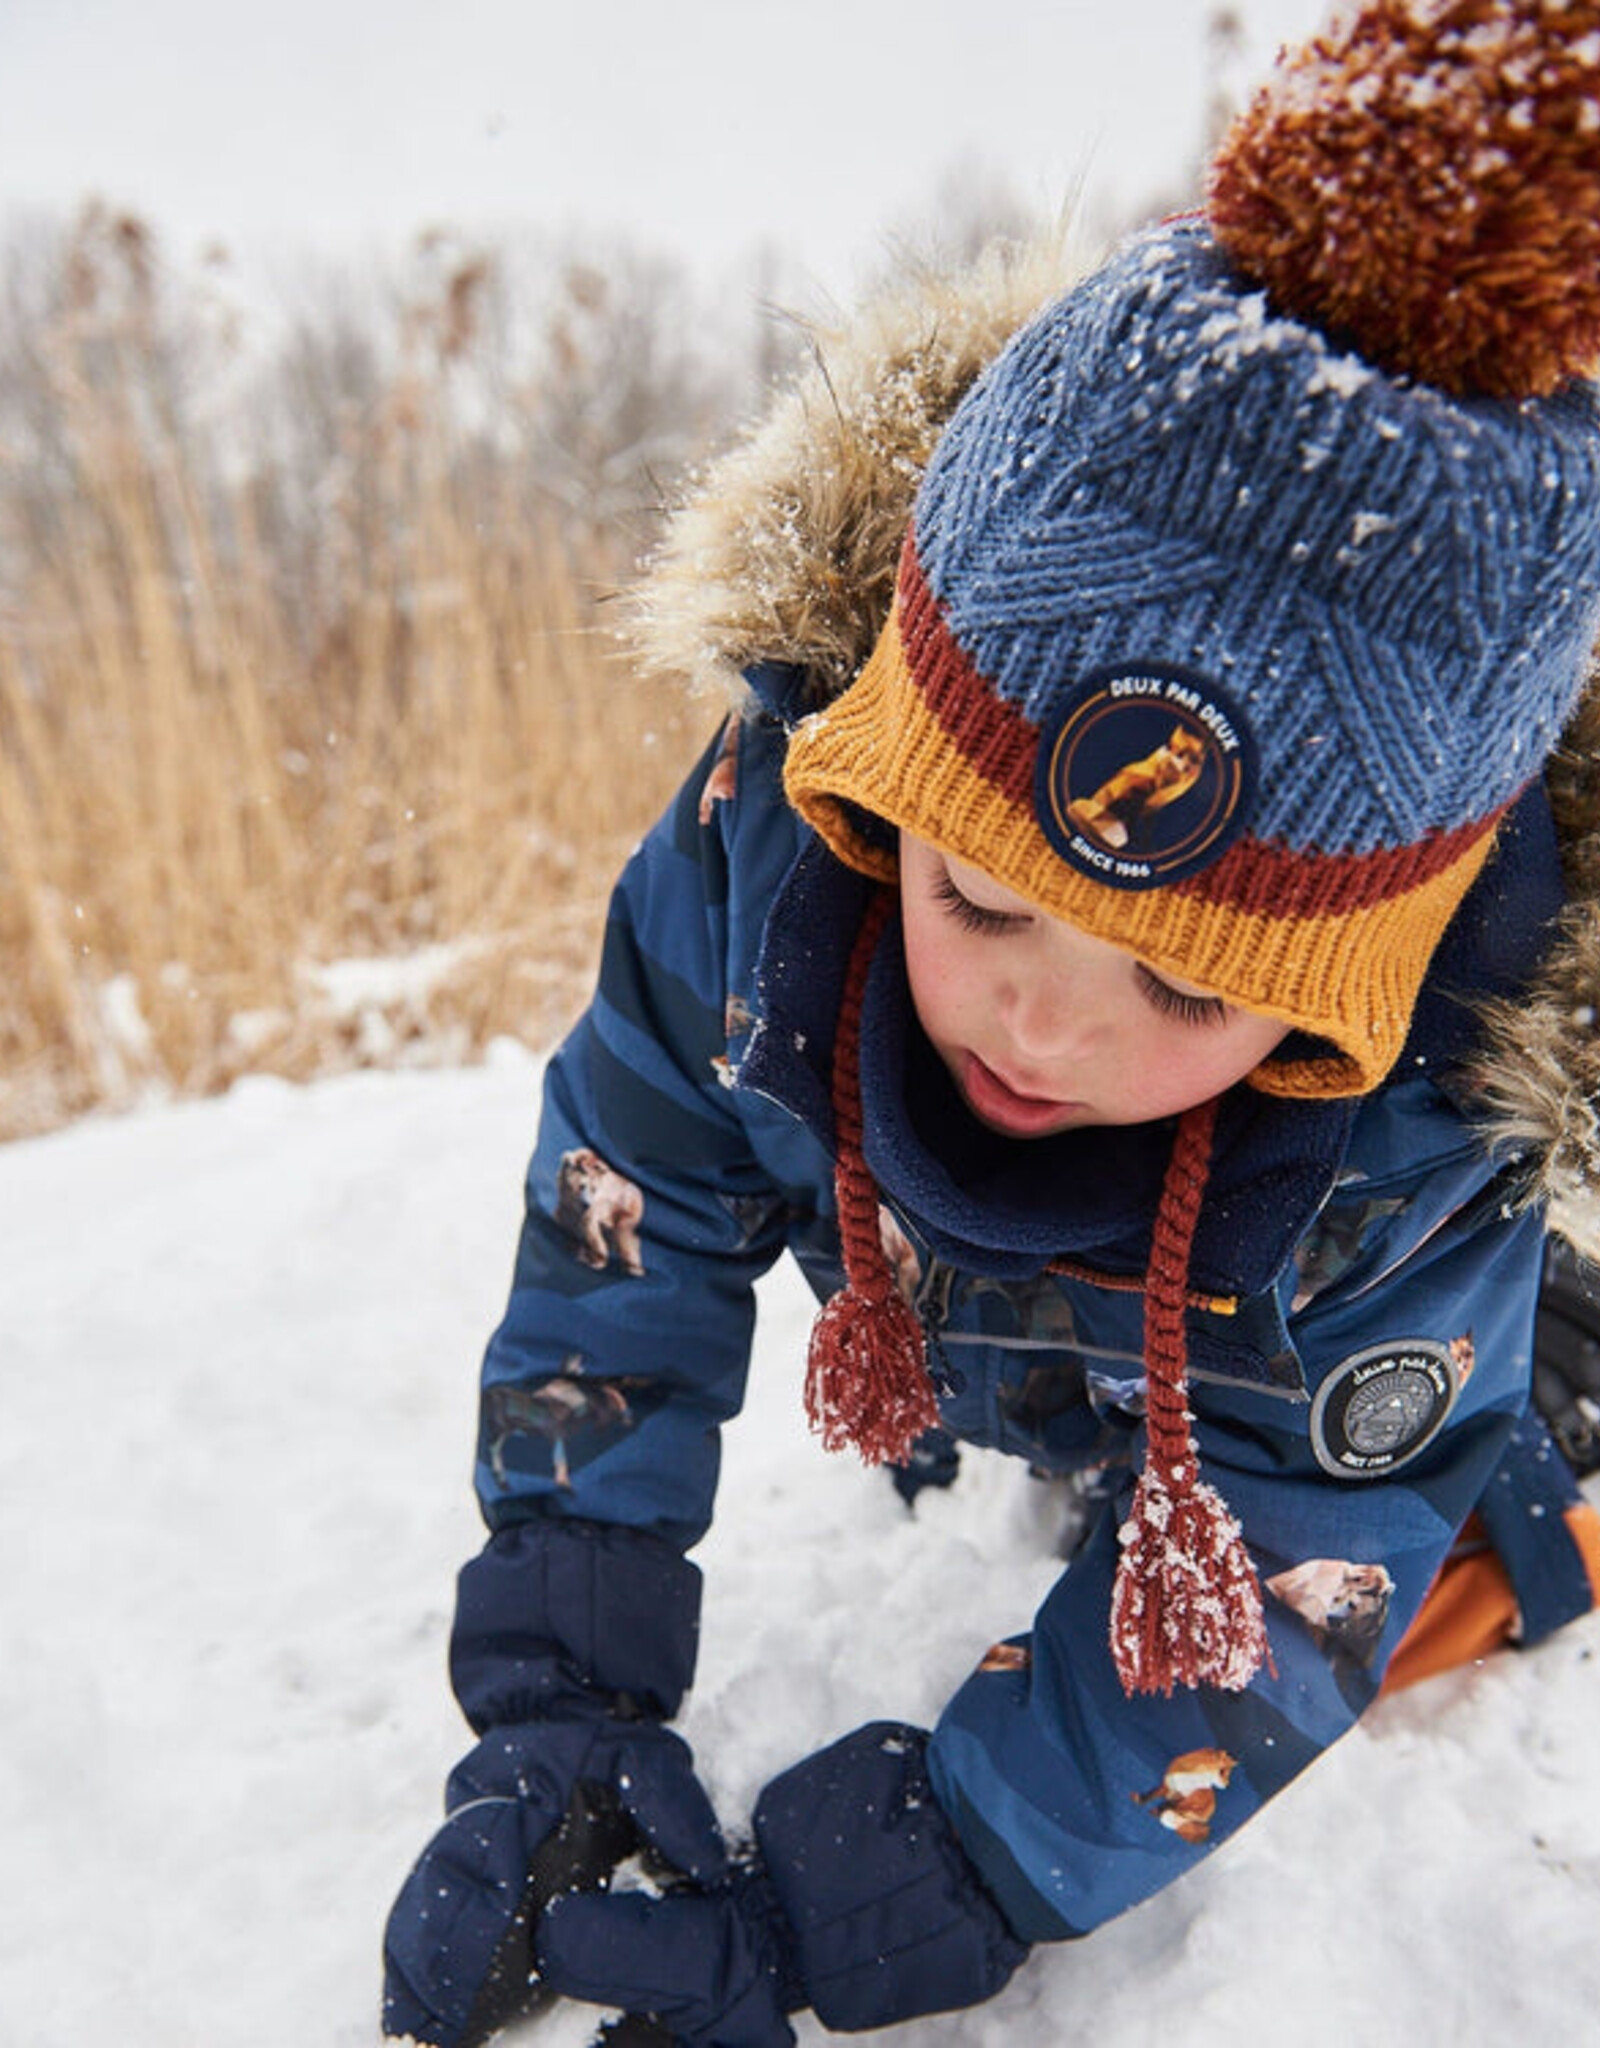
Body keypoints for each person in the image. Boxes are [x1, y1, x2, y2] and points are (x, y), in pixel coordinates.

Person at [382, 3, 1600, 2042]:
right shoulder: (758, 866)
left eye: (1189, 977)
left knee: (1471, 1532)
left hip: (1366, 1363)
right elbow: (630, 1220)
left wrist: (947, 1864)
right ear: (876, 786)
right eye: (971, 895)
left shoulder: (1414, 1135)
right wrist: (560, 1693)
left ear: (1348, 992)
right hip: (1029, 1336)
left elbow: (1307, 1545)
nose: (1036, 1020)